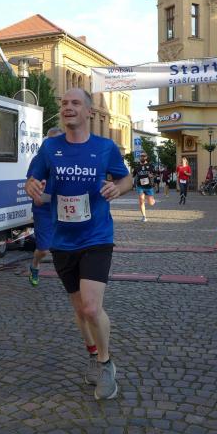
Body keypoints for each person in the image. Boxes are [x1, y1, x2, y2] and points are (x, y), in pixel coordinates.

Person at [25, 88, 132, 400]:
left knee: (91, 306)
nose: (68, 107)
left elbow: (126, 179)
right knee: (80, 310)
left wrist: (119, 188)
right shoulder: (50, 148)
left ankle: (106, 364)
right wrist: (31, 187)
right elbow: (34, 182)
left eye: (75, 103)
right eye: (64, 103)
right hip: (63, 240)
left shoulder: (105, 148)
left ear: (88, 112)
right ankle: (92, 354)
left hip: (97, 236)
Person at [28, 126, 63, 287]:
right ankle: (35, 264)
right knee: (43, 249)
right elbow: (30, 184)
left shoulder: (69, 159)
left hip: (65, 209)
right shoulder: (38, 160)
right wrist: (37, 195)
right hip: (44, 209)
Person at [132, 153, 157, 222]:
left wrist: (152, 175)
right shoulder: (137, 167)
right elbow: (133, 175)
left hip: (149, 186)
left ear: (146, 157)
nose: (142, 157)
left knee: (151, 203)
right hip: (140, 186)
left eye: (144, 156)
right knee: (141, 200)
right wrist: (133, 184)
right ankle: (144, 216)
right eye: (141, 156)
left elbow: (155, 174)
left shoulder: (151, 166)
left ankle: (152, 200)